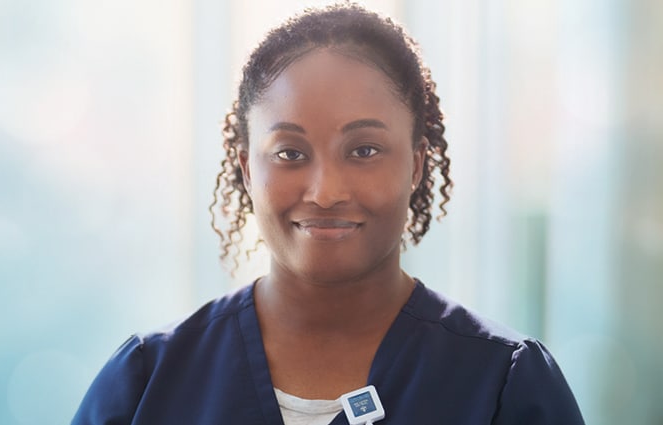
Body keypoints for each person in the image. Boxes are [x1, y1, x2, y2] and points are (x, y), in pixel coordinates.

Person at [72, 4, 585, 424]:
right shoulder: (145, 382)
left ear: (417, 167)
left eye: (364, 150)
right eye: (290, 153)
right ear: (247, 169)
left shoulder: (505, 385)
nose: (325, 192)